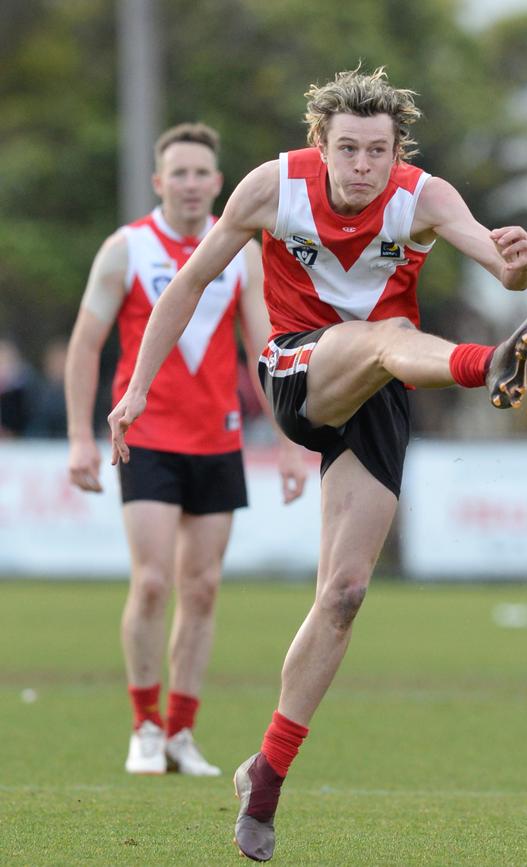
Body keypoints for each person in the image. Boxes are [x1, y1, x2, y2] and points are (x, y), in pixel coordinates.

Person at [107, 70, 527, 859]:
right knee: (383, 336)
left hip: (384, 387)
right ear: (321, 145)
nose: (362, 166)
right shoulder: (272, 186)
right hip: (297, 368)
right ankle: (488, 364)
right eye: (348, 149)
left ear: (397, 154)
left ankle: (267, 776)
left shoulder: (422, 196)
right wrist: (137, 387)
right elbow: (187, 285)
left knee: (346, 593)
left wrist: (519, 265)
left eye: (377, 152)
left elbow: (502, 266)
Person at [65, 122, 306, 779]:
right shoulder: (126, 250)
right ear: (158, 181)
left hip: (218, 437)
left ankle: (180, 732)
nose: (193, 184)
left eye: (203, 172)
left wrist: (289, 444)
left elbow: (268, 351)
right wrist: (81, 436)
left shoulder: (243, 252)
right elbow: (86, 344)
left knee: (202, 589)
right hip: (144, 435)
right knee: (151, 581)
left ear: (219, 182)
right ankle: (144, 723)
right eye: (181, 173)